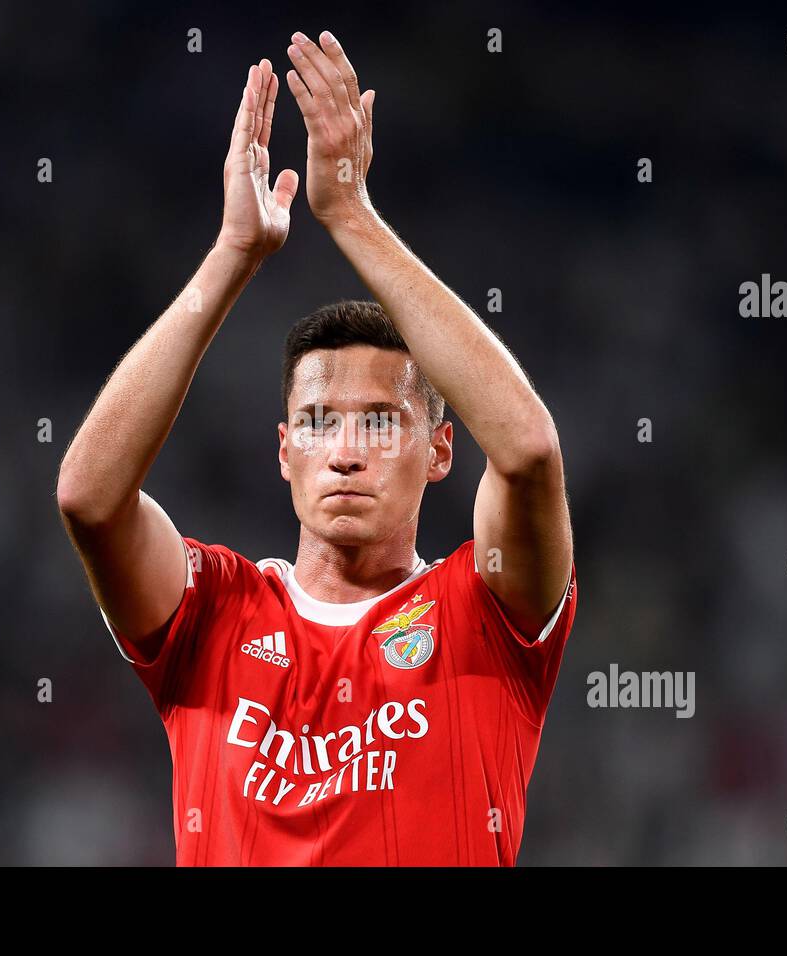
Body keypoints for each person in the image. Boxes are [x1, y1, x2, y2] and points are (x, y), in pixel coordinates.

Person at [57, 31, 576, 865]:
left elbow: (528, 451)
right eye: (316, 421)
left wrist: (351, 217)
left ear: (441, 451)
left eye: (379, 422)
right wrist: (231, 256)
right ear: (283, 451)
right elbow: (88, 496)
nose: (344, 451)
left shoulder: (483, 611)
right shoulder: (216, 614)